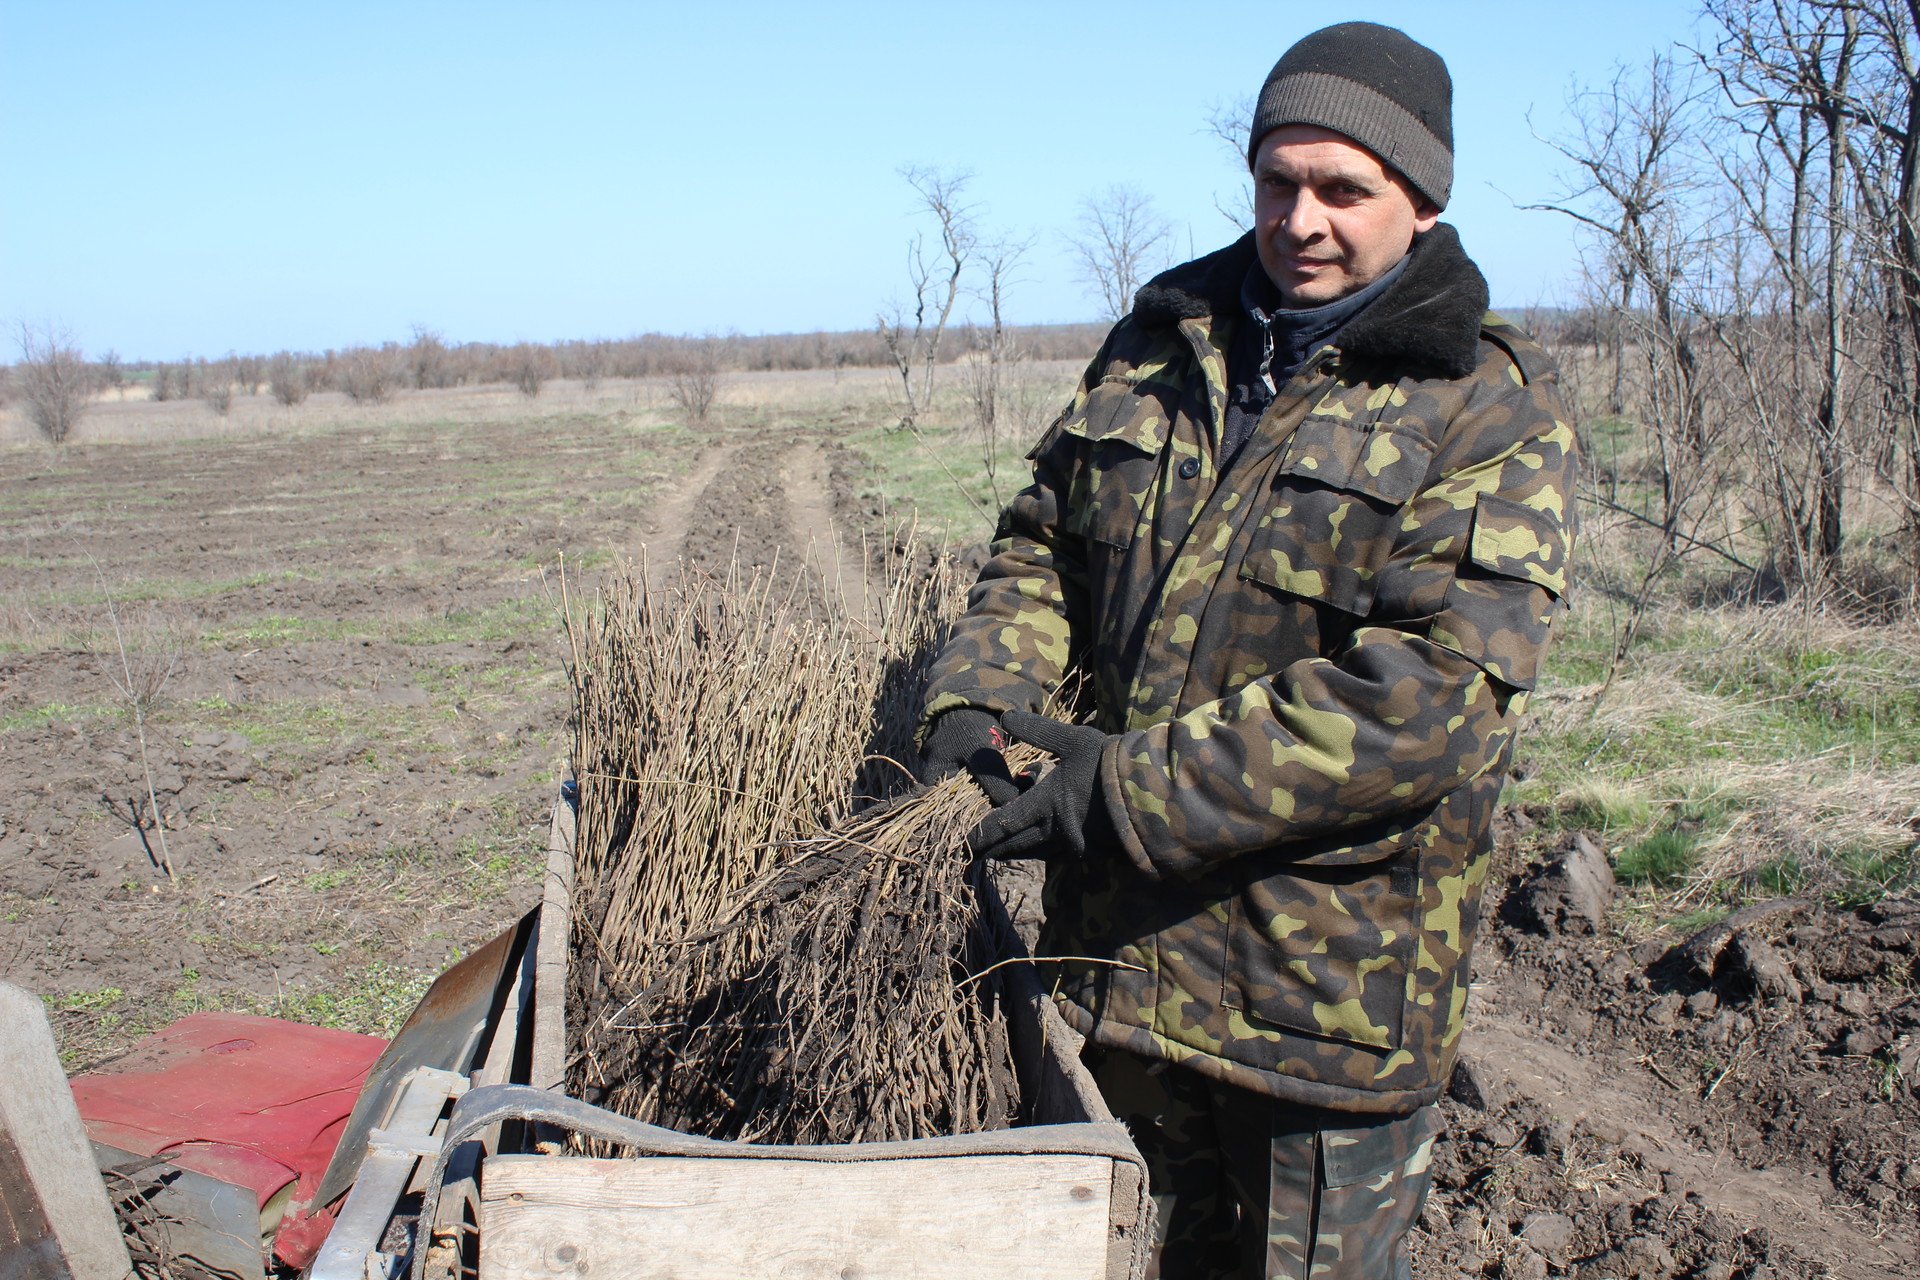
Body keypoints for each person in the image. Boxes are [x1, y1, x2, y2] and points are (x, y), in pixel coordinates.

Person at [916, 21, 1576, 1280]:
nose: (1302, 219)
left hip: (1321, 1011)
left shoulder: (1485, 406)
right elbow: (1043, 544)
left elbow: (1424, 703)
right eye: (1279, 180)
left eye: (1345, 189)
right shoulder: (1161, 344)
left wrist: (1115, 790)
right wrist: (982, 684)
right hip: (1116, 973)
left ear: (1422, 207)